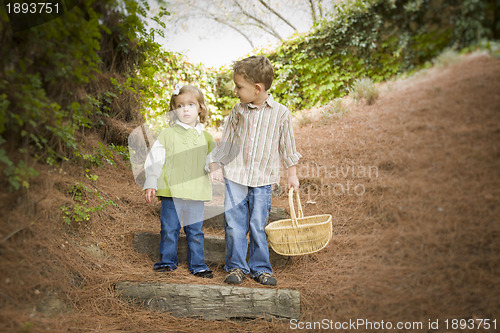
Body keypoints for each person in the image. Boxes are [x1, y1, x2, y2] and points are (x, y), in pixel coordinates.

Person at [210, 56, 301, 286]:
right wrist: (215, 165)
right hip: (236, 177)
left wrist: (292, 174)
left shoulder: (281, 114)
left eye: (239, 86)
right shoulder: (237, 111)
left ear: (257, 88)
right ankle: (237, 266)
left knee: (257, 225)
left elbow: (287, 147)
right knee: (234, 224)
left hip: (262, 180)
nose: (235, 90)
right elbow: (228, 143)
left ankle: (261, 268)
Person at [143, 84, 215, 278]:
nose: (185, 109)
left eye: (191, 104)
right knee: (169, 228)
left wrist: (213, 167)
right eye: (180, 106)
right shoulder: (167, 134)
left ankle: (198, 265)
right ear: (174, 110)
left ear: (200, 107)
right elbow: (155, 159)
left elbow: (213, 159)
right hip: (171, 192)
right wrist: (151, 181)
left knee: (196, 231)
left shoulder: (206, 137)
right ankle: (167, 261)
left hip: (195, 193)